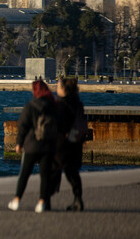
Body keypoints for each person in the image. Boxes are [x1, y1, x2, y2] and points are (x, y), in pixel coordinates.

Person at [8, 80, 58, 213]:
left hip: (32, 145)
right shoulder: (53, 106)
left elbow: (22, 126)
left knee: (24, 174)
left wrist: (19, 143)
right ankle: (42, 202)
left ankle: (17, 200)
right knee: (45, 175)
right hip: (48, 145)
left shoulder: (31, 106)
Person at [56, 78, 86, 211]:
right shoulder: (78, 103)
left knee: (59, 169)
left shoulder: (62, 104)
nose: (56, 88)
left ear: (63, 89)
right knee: (73, 171)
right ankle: (77, 199)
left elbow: (61, 124)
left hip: (66, 142)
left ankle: (45, 199)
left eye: (57, 86)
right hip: (77, 141)